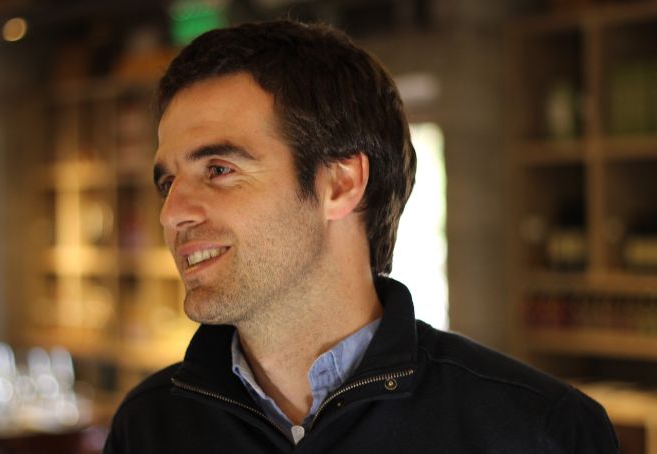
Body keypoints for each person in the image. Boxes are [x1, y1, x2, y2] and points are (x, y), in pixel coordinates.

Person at [104, 20, 618, 453]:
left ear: (340, 184)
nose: (171, 214)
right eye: (167, 183)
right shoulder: (148, 429)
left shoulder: (538, 432)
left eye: (219, 169)